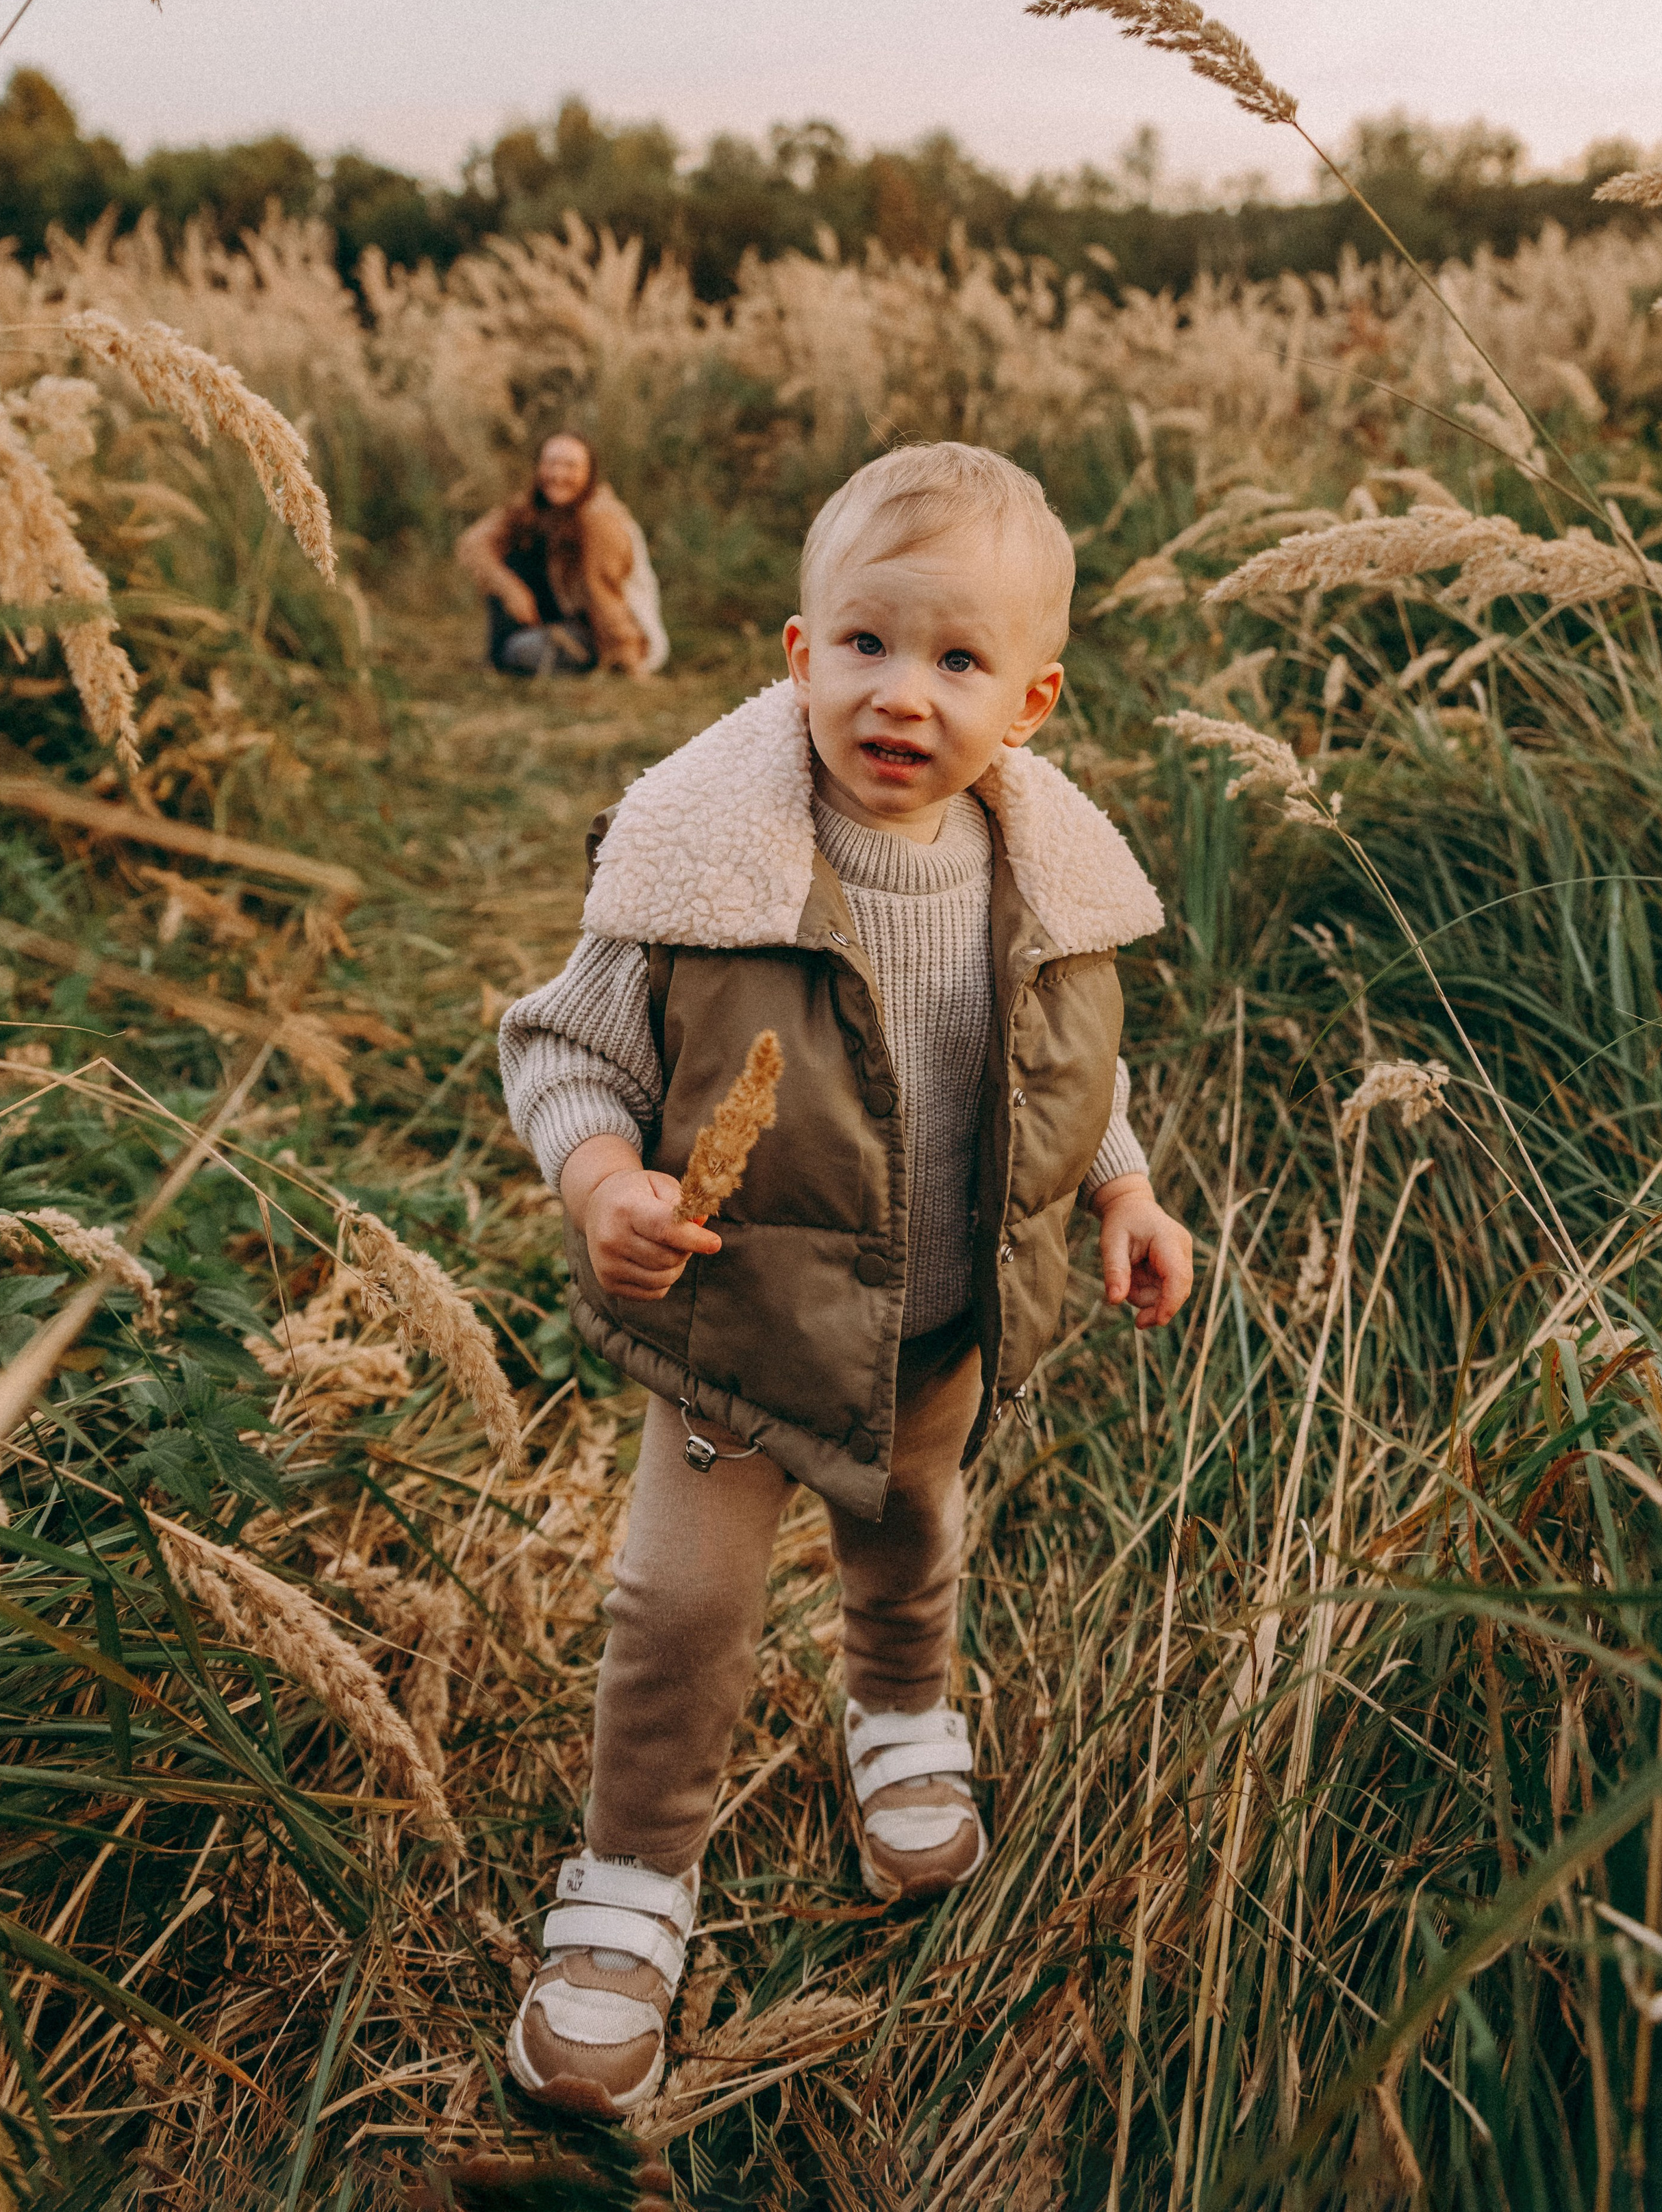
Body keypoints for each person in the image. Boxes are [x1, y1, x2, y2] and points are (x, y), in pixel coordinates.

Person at [496, 441, 1194, 2117]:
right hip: (738, 1326)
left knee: (908, 1531)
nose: (903, 695)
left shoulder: (1043, 875)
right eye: (866, 646)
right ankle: (632, 1879)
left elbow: (1060, 1070)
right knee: (681, 1607)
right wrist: (603, 1176)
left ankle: (895, 1709)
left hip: (939, 1324)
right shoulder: (701, 862)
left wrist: (1125, 1187)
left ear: (1026, 698)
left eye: (956, 662)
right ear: (799, 657)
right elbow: (559, 1048)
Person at [456, 431, 668, 679]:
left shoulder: (600, 520)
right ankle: (506, 659)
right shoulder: (534, 505)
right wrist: (511, 589)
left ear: (589, 474)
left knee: (518, 651)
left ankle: (512, 658)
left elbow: (605, 595)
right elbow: (475, 543)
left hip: (612, 632)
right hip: (567, 616)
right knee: (511, 558)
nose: (558, 475)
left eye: (570, 466)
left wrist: (627, 659)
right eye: (551, 464)